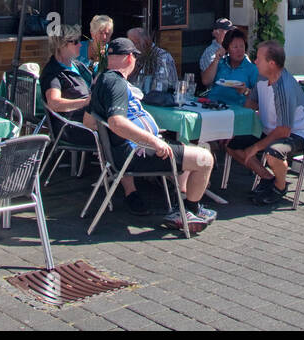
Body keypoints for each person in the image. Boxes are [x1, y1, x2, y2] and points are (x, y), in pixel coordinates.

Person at [85, 38, 216, 231]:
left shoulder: (102, 80)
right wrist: (153, 141)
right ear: (130, 58)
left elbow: (88, 122)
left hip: (123, 153)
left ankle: (182, 204)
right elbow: (117, 122)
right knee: (205, 158)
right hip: (136, 154)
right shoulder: (117, 84)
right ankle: (188, 209)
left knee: (188, 150)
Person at [227, 40, 304, 205]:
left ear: (272, 64)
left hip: (297, 133)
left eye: (259, 58)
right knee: (230, 143)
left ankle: (280, 187)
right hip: (268, 129)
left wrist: (255, 147)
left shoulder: (283, 87)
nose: (255, 61)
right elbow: (251, 103)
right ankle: (268, 178)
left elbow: (284, 131)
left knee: (273, 153)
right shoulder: (262, 76)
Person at [41, 24, 90, 120]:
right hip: (76, 125)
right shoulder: (53, 73)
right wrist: (86, 102)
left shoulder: (78, 65)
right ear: (61, 45)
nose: (80, 44)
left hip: (92, 117)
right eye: (75, 42)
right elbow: (54, 103)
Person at [203, 28, 259, 106]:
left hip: (235, 111)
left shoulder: (251, 69)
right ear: (227, 49)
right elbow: (205, 81)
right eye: (235, 47)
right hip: (212, 105)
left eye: (242, 46)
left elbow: (259, 98)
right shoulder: (220, 63)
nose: (239, 50)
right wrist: (216, 59)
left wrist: (245, 91)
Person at [128, 27, 177, 93]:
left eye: (134, 43)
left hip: (158, 97)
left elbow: (166, 83)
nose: (131, 47)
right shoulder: (134, 56)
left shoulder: (162, 56)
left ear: (145, 42)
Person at [77, 14, 113, 83]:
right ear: (92, 33)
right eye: (101, 33)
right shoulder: (79, 47)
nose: (104, 37)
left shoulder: (111, 53)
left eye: (107, 33)